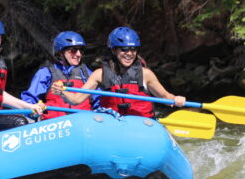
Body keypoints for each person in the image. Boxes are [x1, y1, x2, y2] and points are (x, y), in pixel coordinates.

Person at [51, 27, 186, 118]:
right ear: (114, 50)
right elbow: (76, 100)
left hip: (142, 124)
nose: (129, 54)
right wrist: (62, 92)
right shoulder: (99, 74)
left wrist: (175, 99)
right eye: (124, 49)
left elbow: (164, 96)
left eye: (133, 49)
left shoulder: (146, 74)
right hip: (114, 125)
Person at [21, 31, 100, 120]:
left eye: (81, 50)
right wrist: (33, 112)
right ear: (60, 52)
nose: (78, 54)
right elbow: (30, 100)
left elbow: (98, 100)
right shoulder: (46, 73)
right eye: (73, 50)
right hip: (55, 124)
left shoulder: (87, 73)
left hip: (83, 122)